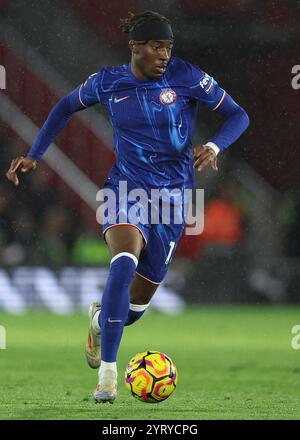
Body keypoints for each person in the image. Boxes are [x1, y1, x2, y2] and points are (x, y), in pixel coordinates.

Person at [6, 10, 249, 403]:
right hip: (126, 192)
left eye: (168, 47)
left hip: (172, 202)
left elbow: (239, 115)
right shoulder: (107, 82)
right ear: (135, 47)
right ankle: (107, 377)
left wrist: (214, 144)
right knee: (124, 261)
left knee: (135, 308)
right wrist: (36, 153)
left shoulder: (187, 77)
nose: (164, 55)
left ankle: (101, 320)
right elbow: (65, 106)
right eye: (156, 47)